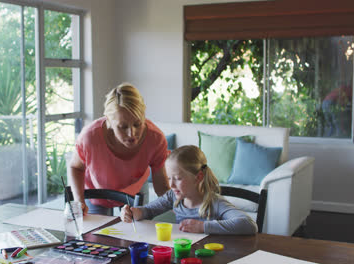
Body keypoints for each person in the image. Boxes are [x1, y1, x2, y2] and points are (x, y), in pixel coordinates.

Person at [68, 83, 170, 215]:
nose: (131, 134)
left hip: (135, 190)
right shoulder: (90, 137)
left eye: (137, 124)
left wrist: (183, 206)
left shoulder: (156, 139)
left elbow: (162, 188)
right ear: (109, 121)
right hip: (97, 192)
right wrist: (79, 202)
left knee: (136, 232)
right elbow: (76, 167)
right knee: (96, 234)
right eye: (122, 127)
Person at [120, 145, 257, 235]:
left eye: (178, 178)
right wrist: (134, 213)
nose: (171, 185)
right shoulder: (172, 197)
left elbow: (249, 224)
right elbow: (148, 211)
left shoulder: (214, 203)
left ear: (198, 177)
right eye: (169, 178)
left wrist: (203, 227)